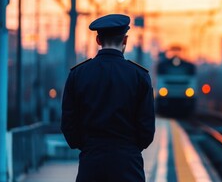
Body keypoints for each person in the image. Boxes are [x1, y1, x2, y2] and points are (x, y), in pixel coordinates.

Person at [61, 14, 155, 182]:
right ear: (125, 40)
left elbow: (68, 125)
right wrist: (129, 148)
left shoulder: (78, 74)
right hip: (129, 165)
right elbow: (147, 131)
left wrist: (89, 146)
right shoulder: (139, 76)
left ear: (98, 40)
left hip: (91, 163)